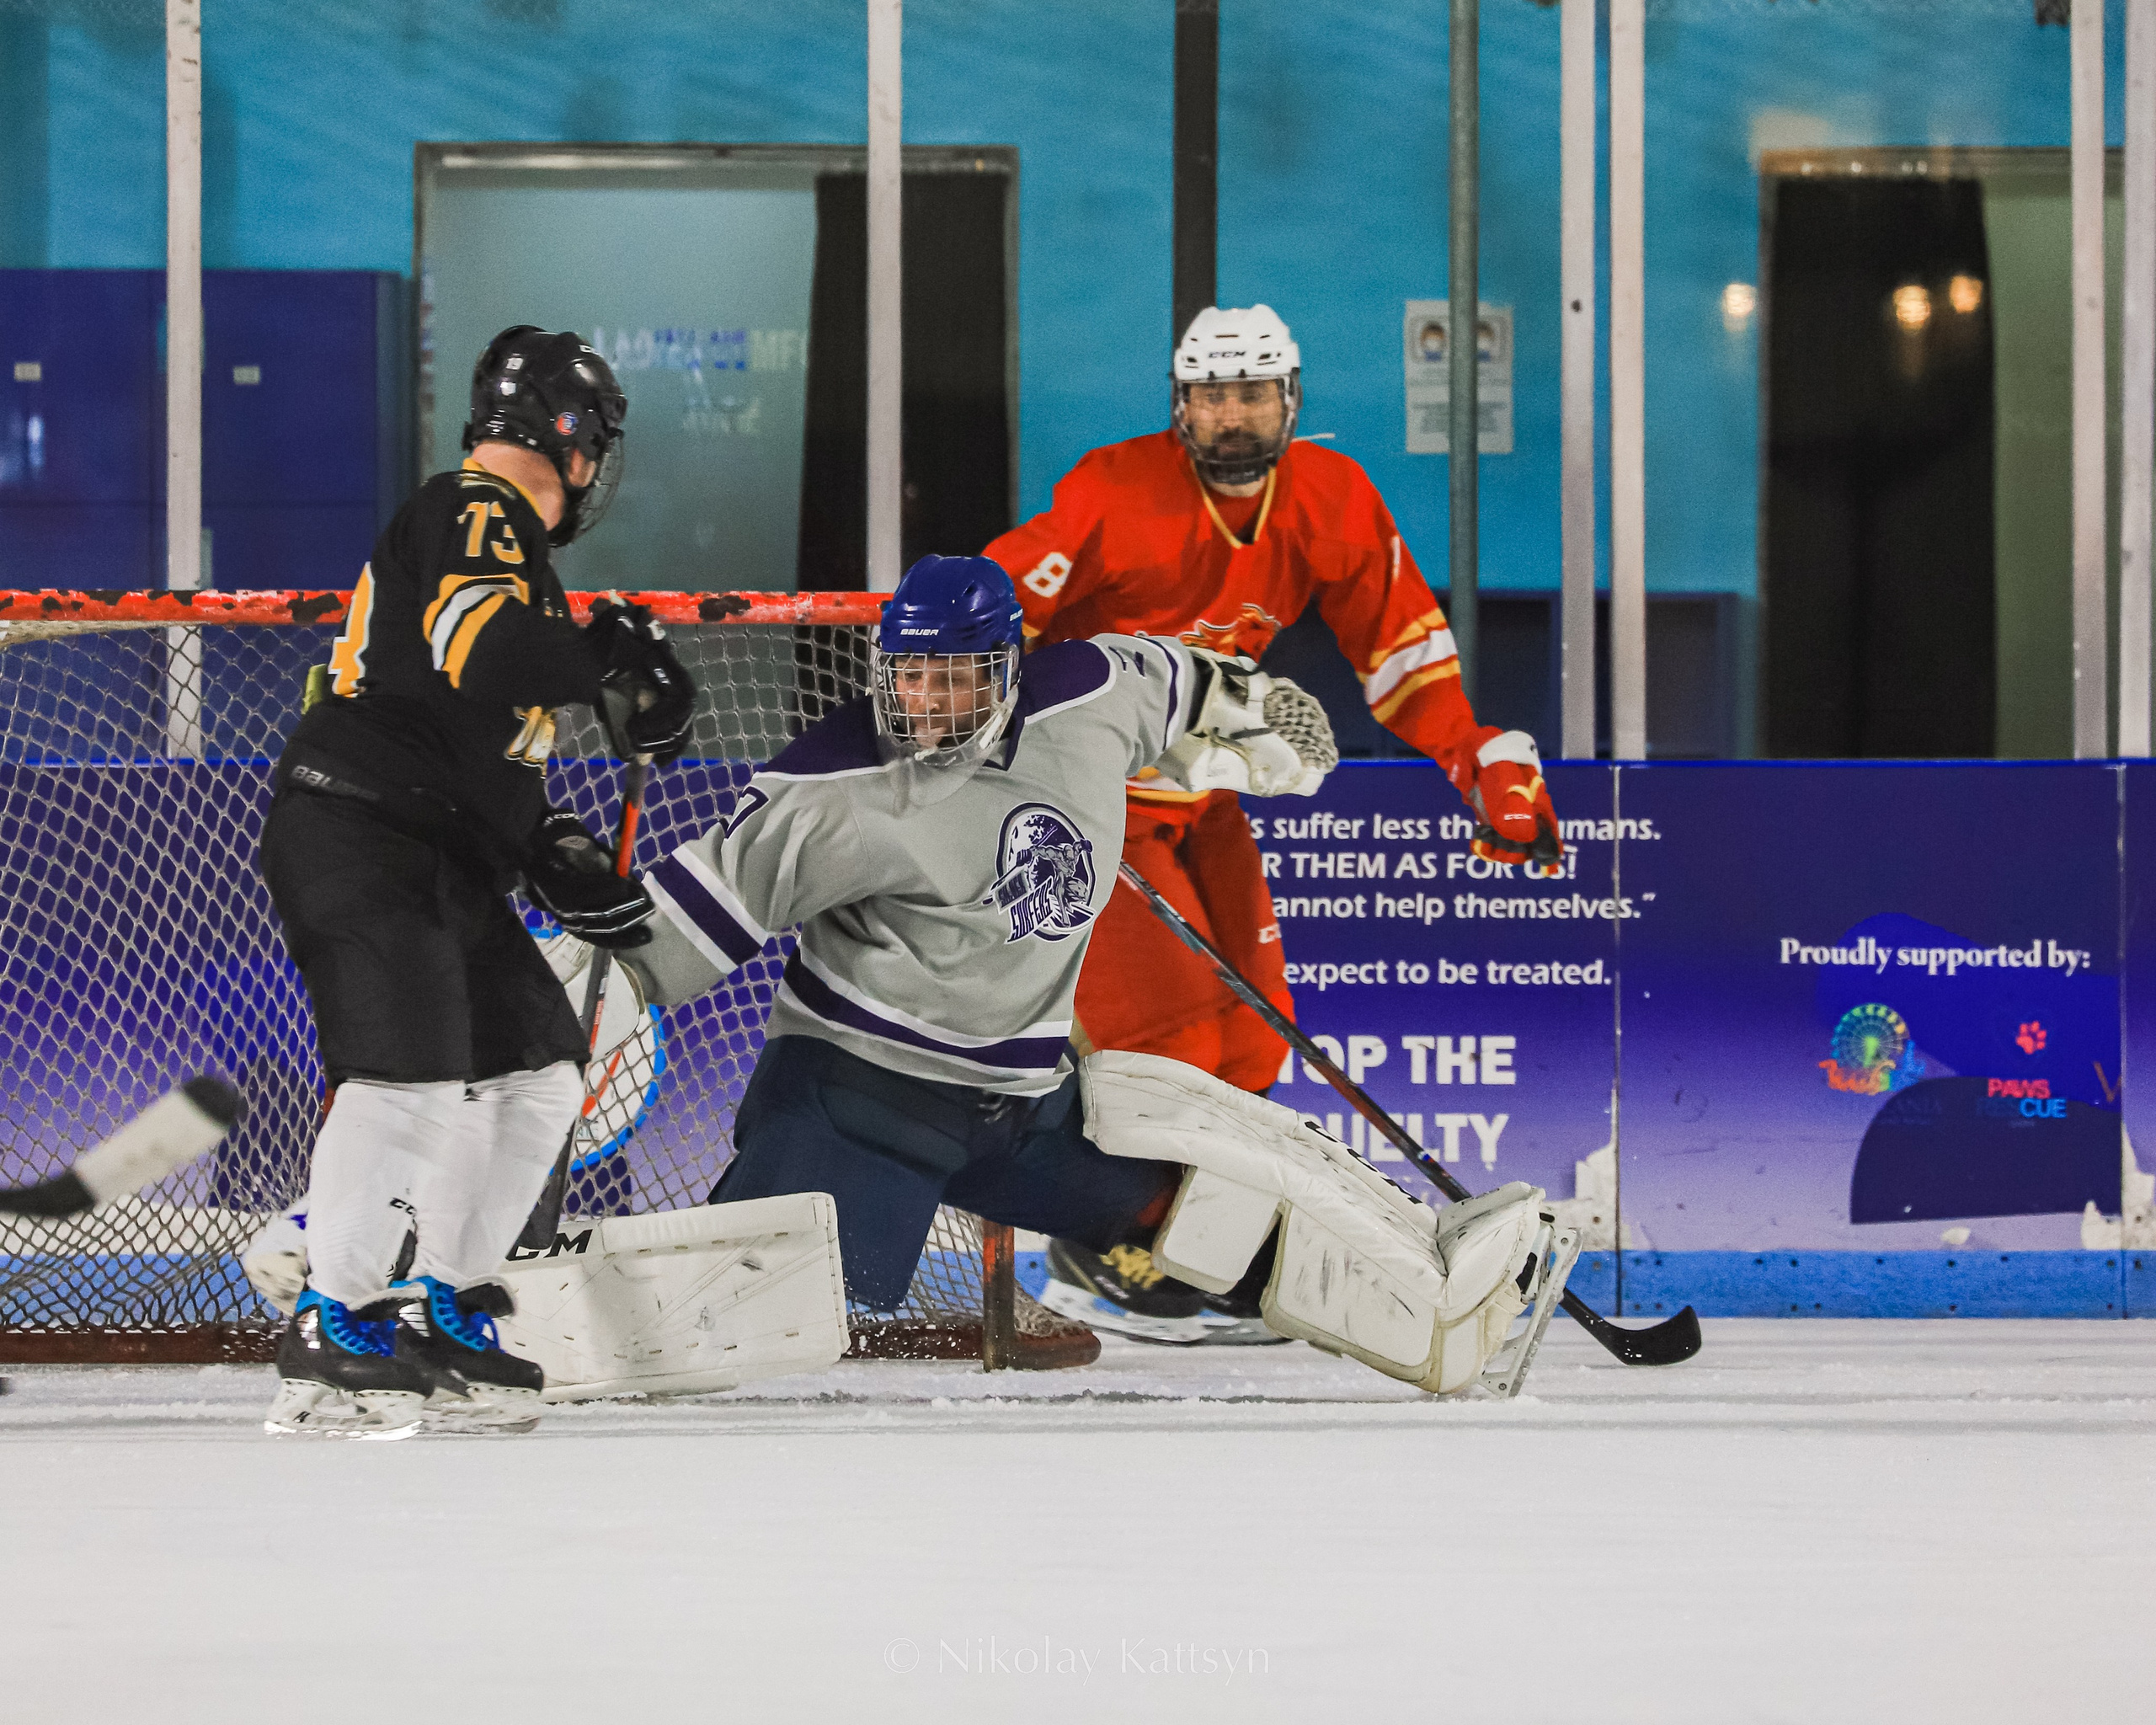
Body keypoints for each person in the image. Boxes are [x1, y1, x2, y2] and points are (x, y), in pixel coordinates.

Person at [603, 553, 1572, 1400]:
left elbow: (1182, 678)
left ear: (1009, 668)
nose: (927, 704)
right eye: (909, 676)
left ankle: (1439, 1316)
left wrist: (1251, 711)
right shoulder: (830, 791)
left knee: (1210, 1199)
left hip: (1022, 1105)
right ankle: (525, 1290)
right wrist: (570, 1007)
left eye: (955, 677)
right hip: (860, 1105)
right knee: (726, 1317)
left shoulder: (1089, 689)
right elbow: (674, 930)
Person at [981, 304, 1563, 1343]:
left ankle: (1198, 1255)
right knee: (1168, 1041)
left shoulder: (1331, 500)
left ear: (1290, 400)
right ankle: (1102, 1255)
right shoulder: (1114, 493)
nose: (1232, 416)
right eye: (1211, 395)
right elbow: (994, 623)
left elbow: (1402, 657)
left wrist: (1475, 761)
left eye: (1252, 394)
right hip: (1077, 808)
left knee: (1252, 1039)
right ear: (1180, 405)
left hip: (1199, 797)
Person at [257, 325, 696, 1438]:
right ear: (581, 444)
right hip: (363, 833)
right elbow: (481, 655)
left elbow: (480, 737)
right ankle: (336, 1312)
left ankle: (446, 1306)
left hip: (440, 852)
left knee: (541, 1070)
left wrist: (553, 850)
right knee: (405, 1078)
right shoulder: (477, 509)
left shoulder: (516, 565)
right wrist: (604, 653)